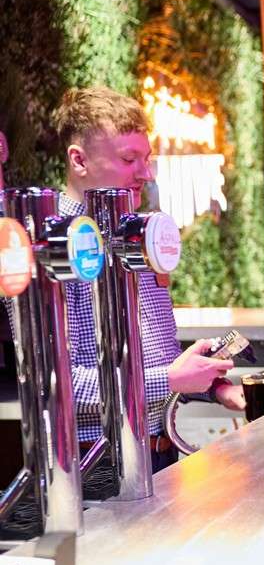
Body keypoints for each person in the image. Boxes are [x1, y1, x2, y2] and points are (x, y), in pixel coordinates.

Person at [52, 86, 243, 481]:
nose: (146, 173)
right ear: (78, 160)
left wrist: (208, 383)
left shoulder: (137, 233)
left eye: (147, 158)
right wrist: (172, 378)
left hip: (160, 450)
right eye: (128, 159)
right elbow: (55, 382)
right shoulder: (52, 246)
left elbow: (156, 366)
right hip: (93, 463)